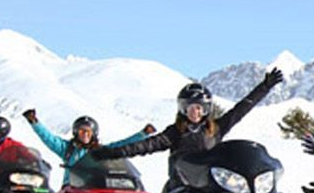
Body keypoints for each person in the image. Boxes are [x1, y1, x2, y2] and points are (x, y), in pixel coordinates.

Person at [91, 69, 283, 177]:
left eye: (199, 107)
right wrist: (113, 153)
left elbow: (242, 108)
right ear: (183, 109)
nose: (195, 111)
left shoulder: (215, 129)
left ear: (206, 109)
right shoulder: (175, 132)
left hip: (211, 182)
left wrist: (264, 87)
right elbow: (146, 145)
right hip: (182, 184)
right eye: (190, 107)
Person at [22, 110, 155, 185]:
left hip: (93, 188)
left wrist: (142, 134)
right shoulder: (67, 149)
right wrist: (35, 122)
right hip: (71, 188)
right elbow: (49, 138)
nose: (85, 135)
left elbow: (122, 145)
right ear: (75, 132)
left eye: (88, 132)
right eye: (81, 131)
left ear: (93, 134)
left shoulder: (100, 151)